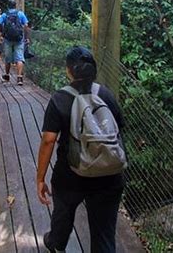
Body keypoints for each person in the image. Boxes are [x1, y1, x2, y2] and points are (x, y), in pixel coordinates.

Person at [36, 46, 126, 253]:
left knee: (63, 214)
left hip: (71, 175)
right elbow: (119, 130)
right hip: (108, 175)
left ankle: (56, 243)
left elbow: (49, 141)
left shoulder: (59, 99)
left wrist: (40, 178)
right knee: (104, 234)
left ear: (69, 71)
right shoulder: (106, 94)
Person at [0, 0, 30, 86]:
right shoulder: (20, 14)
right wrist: (26, 37)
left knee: (8, 58)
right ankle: (19, 77)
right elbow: (26, 25)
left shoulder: (4, 15)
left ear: (8, 6)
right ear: (15, 5)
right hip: (19, 39)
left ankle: (7, 75)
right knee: (19, 58)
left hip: (8, 39)